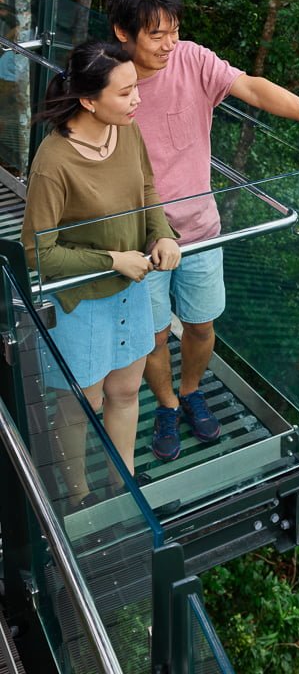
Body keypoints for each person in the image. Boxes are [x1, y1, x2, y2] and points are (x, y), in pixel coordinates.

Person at [107, 0, 299, 461]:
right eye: (156, 34)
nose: (170, 44)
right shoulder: (107, 83)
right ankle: (166, 404)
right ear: (124, 33)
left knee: (202, 327)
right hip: (138, 239)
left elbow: (249, 85)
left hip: (201, 229)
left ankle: (190, 392)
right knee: (155, 336)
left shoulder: (190, 60)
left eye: (175, 30)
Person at [21, 41, 181, 510]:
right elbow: (37, 252)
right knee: (80, 405)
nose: (138, 100)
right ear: (89, 100)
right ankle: (80, 496)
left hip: (133, 288)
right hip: (82, 302)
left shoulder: (125, 132)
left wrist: (163, 234)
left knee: (126, 390)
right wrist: (112, 259)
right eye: (126, 92)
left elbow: (147, 189)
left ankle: (122, 485)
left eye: (136, 89)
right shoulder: (54, 163)